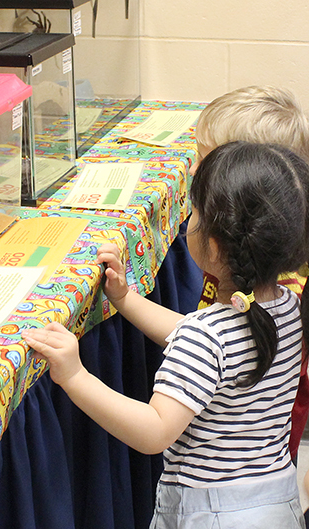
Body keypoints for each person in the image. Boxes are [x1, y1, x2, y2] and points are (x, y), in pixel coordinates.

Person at [22, 142, 309, 526]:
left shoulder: (207, 337)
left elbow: (155, 430)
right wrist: (125, 299)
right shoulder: (289, 307)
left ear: (212, 242)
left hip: (210, 514)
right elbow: (198, 340)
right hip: (276, 503)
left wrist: (75, 376)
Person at [192, 85, 309, 462]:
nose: (193, 170)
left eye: (206, 161)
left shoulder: (276, 278)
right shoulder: (245, 254)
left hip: (258, 438)